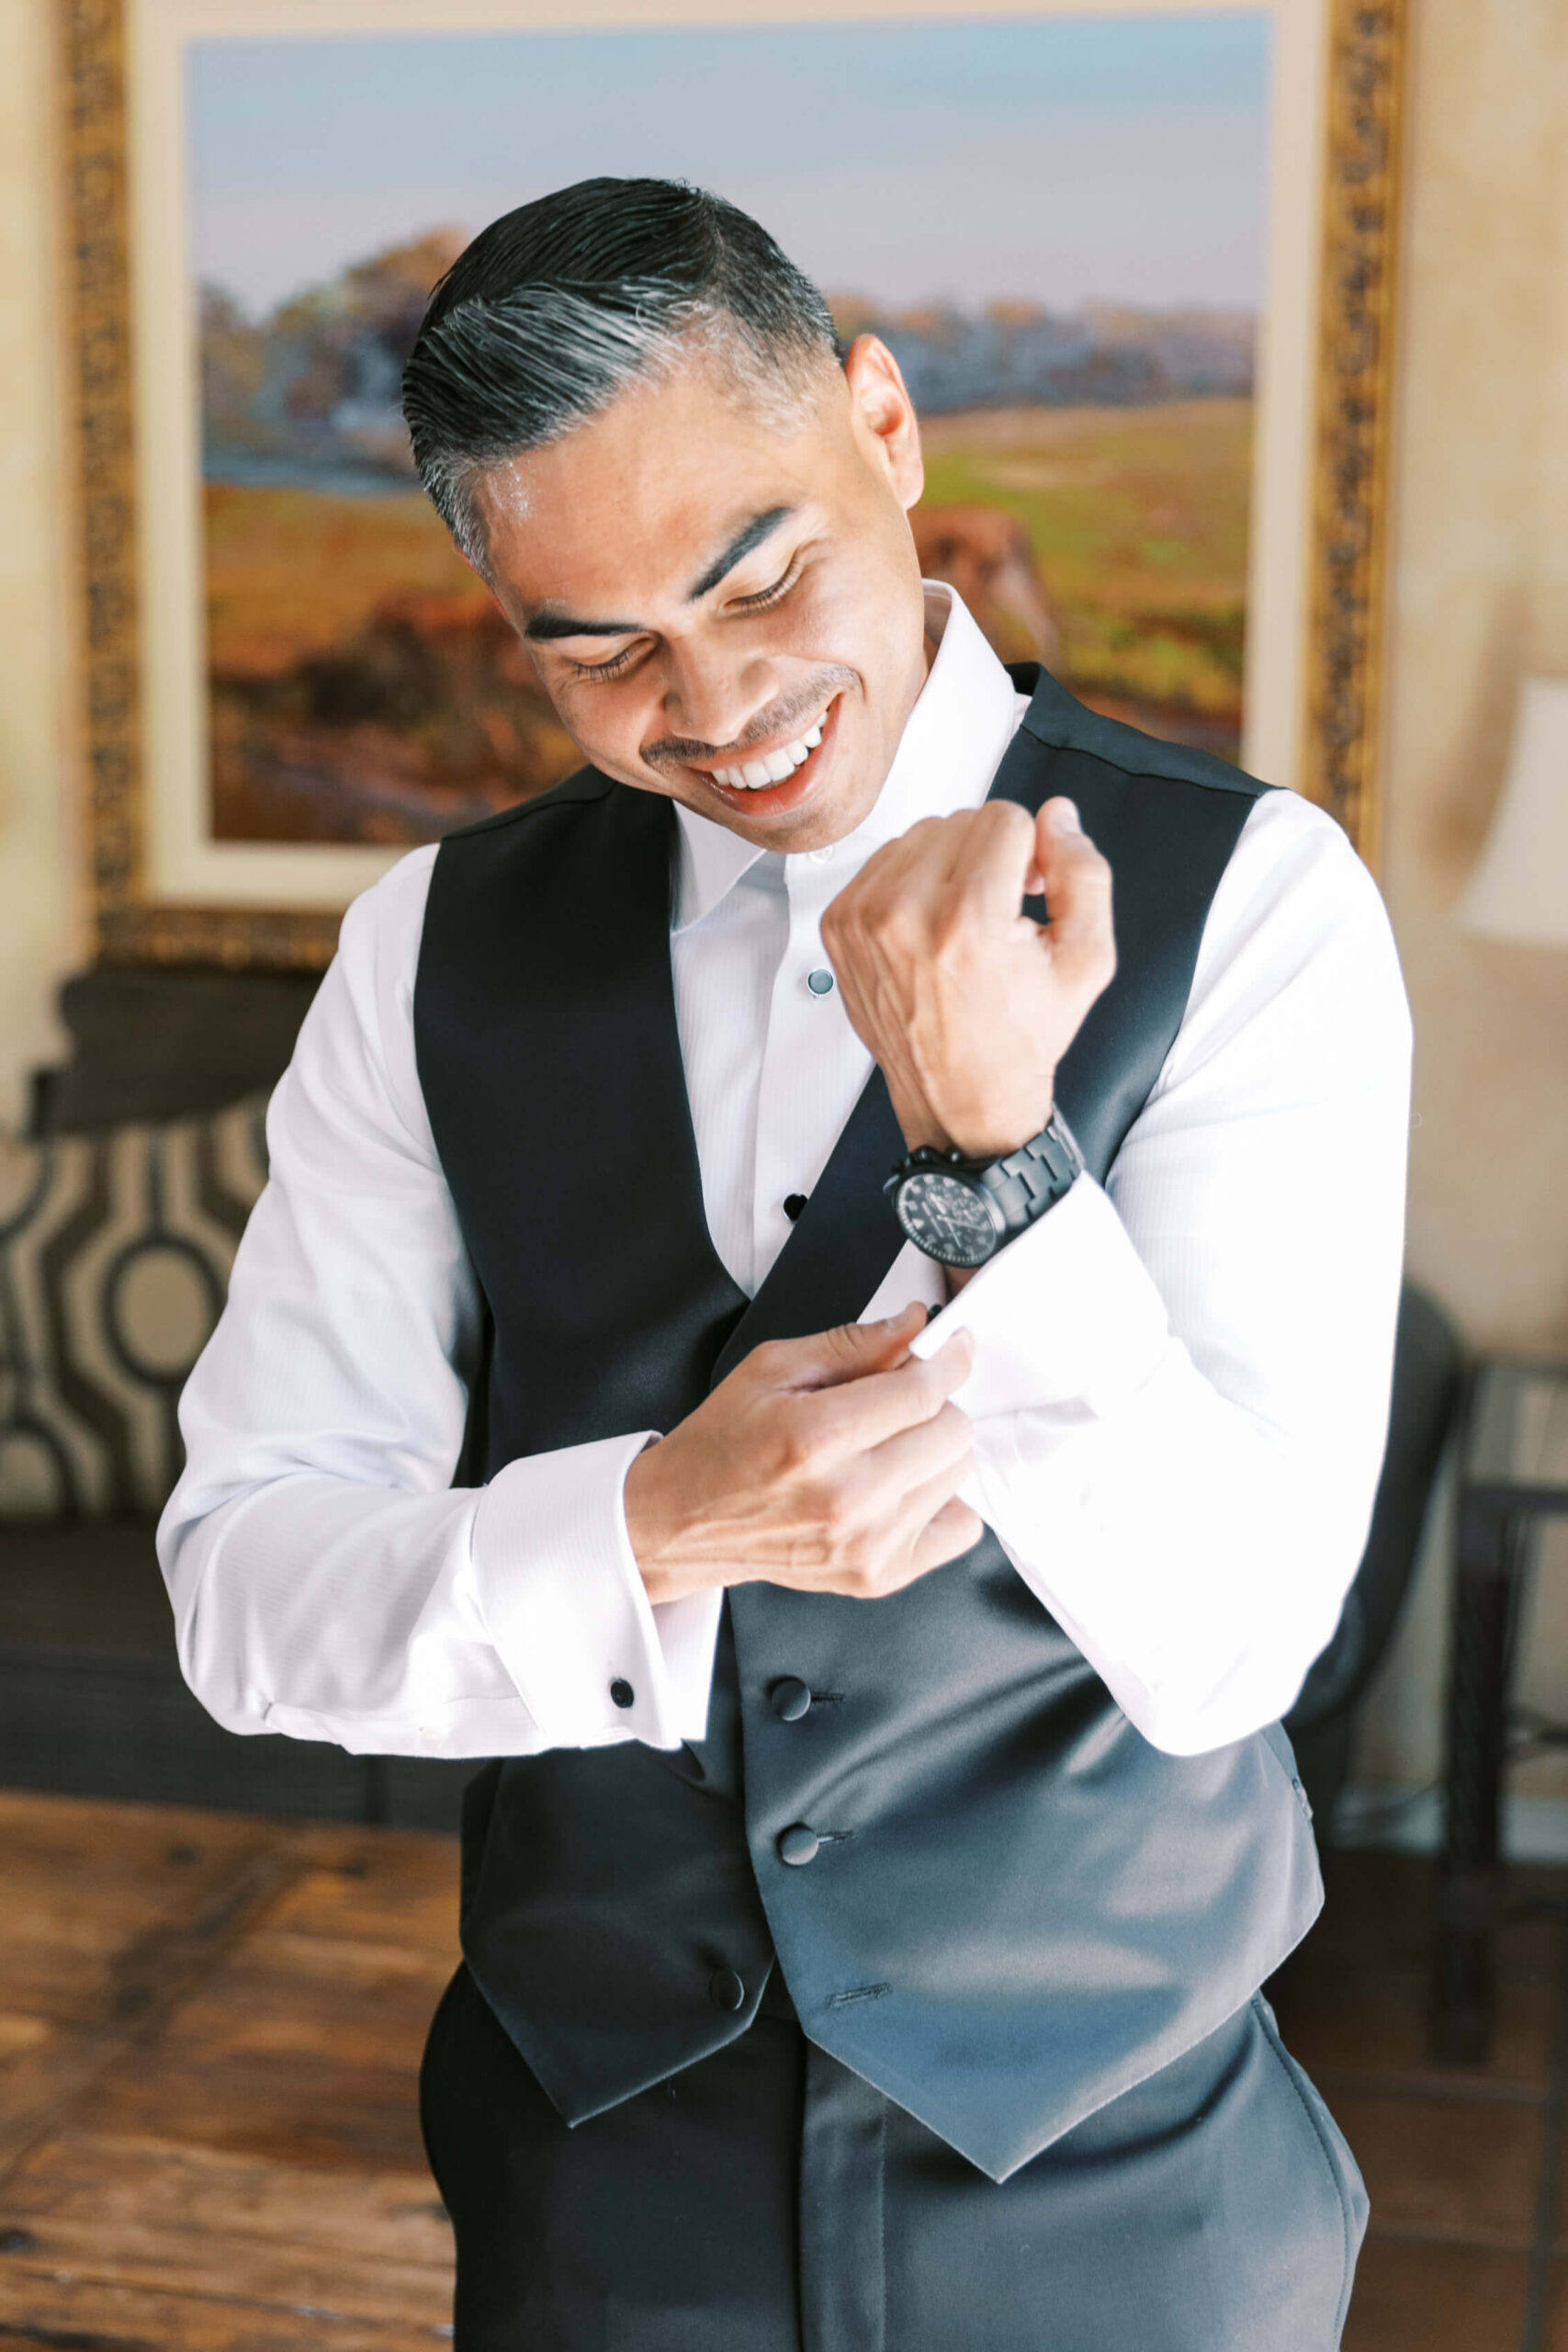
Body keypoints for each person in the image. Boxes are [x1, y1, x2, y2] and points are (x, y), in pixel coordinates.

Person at [159, 177, 1412, 2351]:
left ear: (885, 420)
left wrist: (997, 1164)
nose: (717, 698)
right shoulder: (424, 956)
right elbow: (246, 1597)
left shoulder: (1258, 905)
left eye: (758, 572)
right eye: (597, 645)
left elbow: (1234, 1650)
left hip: (1114, 2210)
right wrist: (651, 1525)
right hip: (596, 2195)